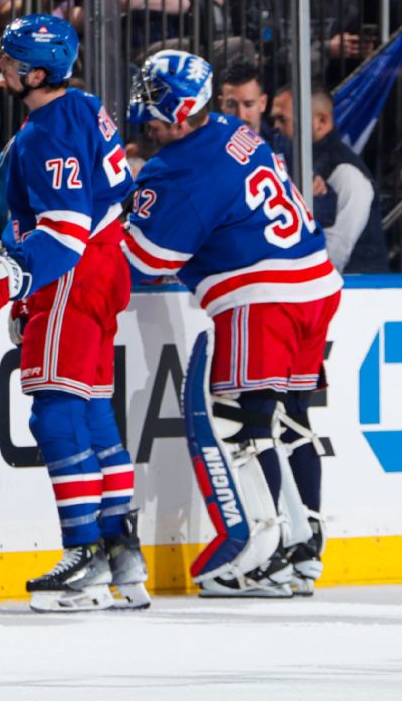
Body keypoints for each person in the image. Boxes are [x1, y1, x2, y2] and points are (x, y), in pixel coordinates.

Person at [123, 50, 342, 597]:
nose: (144, 112)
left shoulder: (180, 169)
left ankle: (258, 557)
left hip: (261, 295)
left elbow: (145, 261)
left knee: (244, 425)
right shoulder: (228, 129)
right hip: (315, 282)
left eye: (153, 101)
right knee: (292, 419)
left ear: (180, 111)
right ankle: (303, 549)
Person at [0, 14, 147, 612]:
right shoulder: (83, 105)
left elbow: (64, 231)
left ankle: (84, 555)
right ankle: (123, 556)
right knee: (91, 411)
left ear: (37, 74)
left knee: (55, 414)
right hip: (105, 266)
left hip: (73, 270)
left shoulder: (46, 131)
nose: (1, 67)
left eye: (11, 62)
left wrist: (13, 276)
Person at [269, 86, 389, 274]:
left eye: (282, 119)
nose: (275, 126)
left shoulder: (347, 173)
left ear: (321, 122)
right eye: (274, 119)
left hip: (356, 287)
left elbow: (336, 253)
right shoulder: (298, 160)